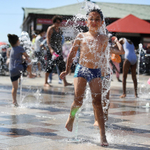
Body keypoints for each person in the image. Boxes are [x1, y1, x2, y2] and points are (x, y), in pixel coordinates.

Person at [60, 8, 125, 146]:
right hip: (81, 69)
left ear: (101, 22)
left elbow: (104, 56)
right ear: (86, 22)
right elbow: (72, 54)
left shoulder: (104, 38)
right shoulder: (81, 36)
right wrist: (66, 71)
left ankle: (103, 135)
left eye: (97, 19)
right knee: (78, 101)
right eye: (91, 19)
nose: (94, 21)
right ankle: (71, 117)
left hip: (95, 72)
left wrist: (104, 73)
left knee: (98, 103)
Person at [93, 36, 124, 126]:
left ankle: (104, 118)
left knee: (106, 99)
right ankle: (96, 119)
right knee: (96, 99)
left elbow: (122, 51)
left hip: (106, 75)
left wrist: (117, 41)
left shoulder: (108, 48)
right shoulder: (93, 46)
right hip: (95, 74)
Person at [7, 34, 35, 106]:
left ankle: (14, 102)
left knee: (15, 87)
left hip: (11, 70)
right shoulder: (20, 48)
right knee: (29, 62)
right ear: (17, 41)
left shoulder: (11, 49)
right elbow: (27, 56)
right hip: (18, 68)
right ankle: (30, 74)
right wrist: (27, 58)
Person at [44, 15, 71, 87]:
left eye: (59, 22)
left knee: (61, 66)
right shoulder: (50, 29)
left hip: (58, 51)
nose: (58, 24)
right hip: (51, 51)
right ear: (54, 22)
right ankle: (46, 82)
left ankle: (65, 82)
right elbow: (48, 40)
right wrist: (50, 49)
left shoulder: (60, 30)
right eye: (57, 22)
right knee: (50, 66)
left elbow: (61, 42)